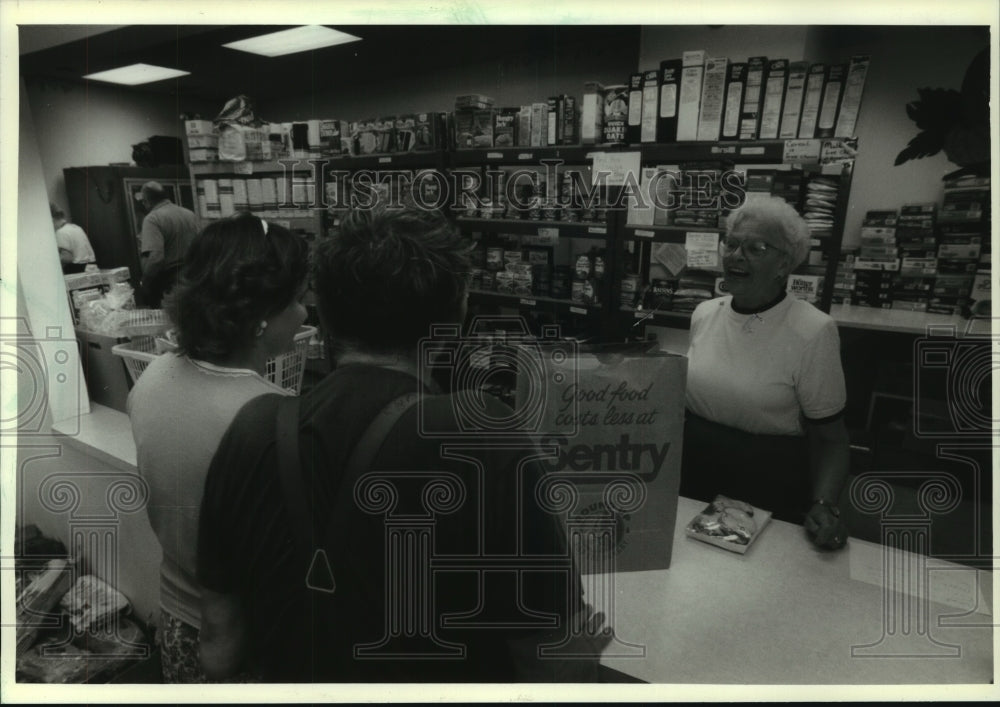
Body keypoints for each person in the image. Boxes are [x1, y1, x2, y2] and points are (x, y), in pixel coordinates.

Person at [196, 203, 608, 683]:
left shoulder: (254, 427)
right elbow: (549, 662)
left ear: (323, 316)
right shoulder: (481, 434)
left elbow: (219, 648)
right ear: (455, 319)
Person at [127, 213, 310, 682]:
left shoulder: (152, 377)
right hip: (242, 641)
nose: (305, 313)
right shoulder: (269, 418)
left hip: (176, 622)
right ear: (259, 317)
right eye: (295, 300)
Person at [681, 195, 850, 550]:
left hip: (765, 483)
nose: (736, 256)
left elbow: (831, 439)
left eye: (756, 248)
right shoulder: (704, 313)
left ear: (783, 264)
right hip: (691, 474)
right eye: (732, 244)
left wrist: (824, 504)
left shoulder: (813, 331)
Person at [138, 181, 200, 307]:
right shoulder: (189, 214)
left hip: (169, 282)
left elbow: (156, 258)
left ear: (146, 201)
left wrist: (144, 283)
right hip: (193, 276)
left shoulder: (152, 219)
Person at [50, 202, 96, 274]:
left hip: (78, 269)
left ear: (52, 219)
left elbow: (67, 258)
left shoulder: (60, 232)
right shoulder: (76, 227)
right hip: (91, 266)